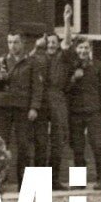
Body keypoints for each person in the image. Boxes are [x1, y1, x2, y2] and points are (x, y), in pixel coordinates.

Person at [0, 31, 43, 179]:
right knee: (1, 145)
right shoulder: (1, 61)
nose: (12, 46)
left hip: (22, 108)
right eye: (10, 42)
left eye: (16, 42)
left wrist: (34, 107)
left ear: (23, 43)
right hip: (3, 107)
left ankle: (24, 183)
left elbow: (37, 87)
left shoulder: (31, 62)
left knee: (24, 145)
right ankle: (0, 180)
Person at [66, 35, 101, 175]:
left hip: (94, 111)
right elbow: (63, 88)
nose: (83, 51)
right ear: (76, 49)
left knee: (99, 145)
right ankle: (78, 181)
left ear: (90, 49)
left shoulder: (98, 66)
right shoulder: (70, 66)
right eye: (80, 47)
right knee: (77, 147)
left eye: (86, 47)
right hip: (75, 112)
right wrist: (74, 78)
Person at [31, 30, 75, 175]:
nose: (51, 45)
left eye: (54, 42)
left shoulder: (62, 57)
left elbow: (67, 42)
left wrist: (67, 21)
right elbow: (26, 61)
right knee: (41, 140)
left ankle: (53, 179)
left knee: (58, 140)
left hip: (57, 98)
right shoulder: (38, 57)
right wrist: (37, 46)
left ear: (58, 45)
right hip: (42, 99)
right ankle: (39, 178)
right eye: (49, 42)